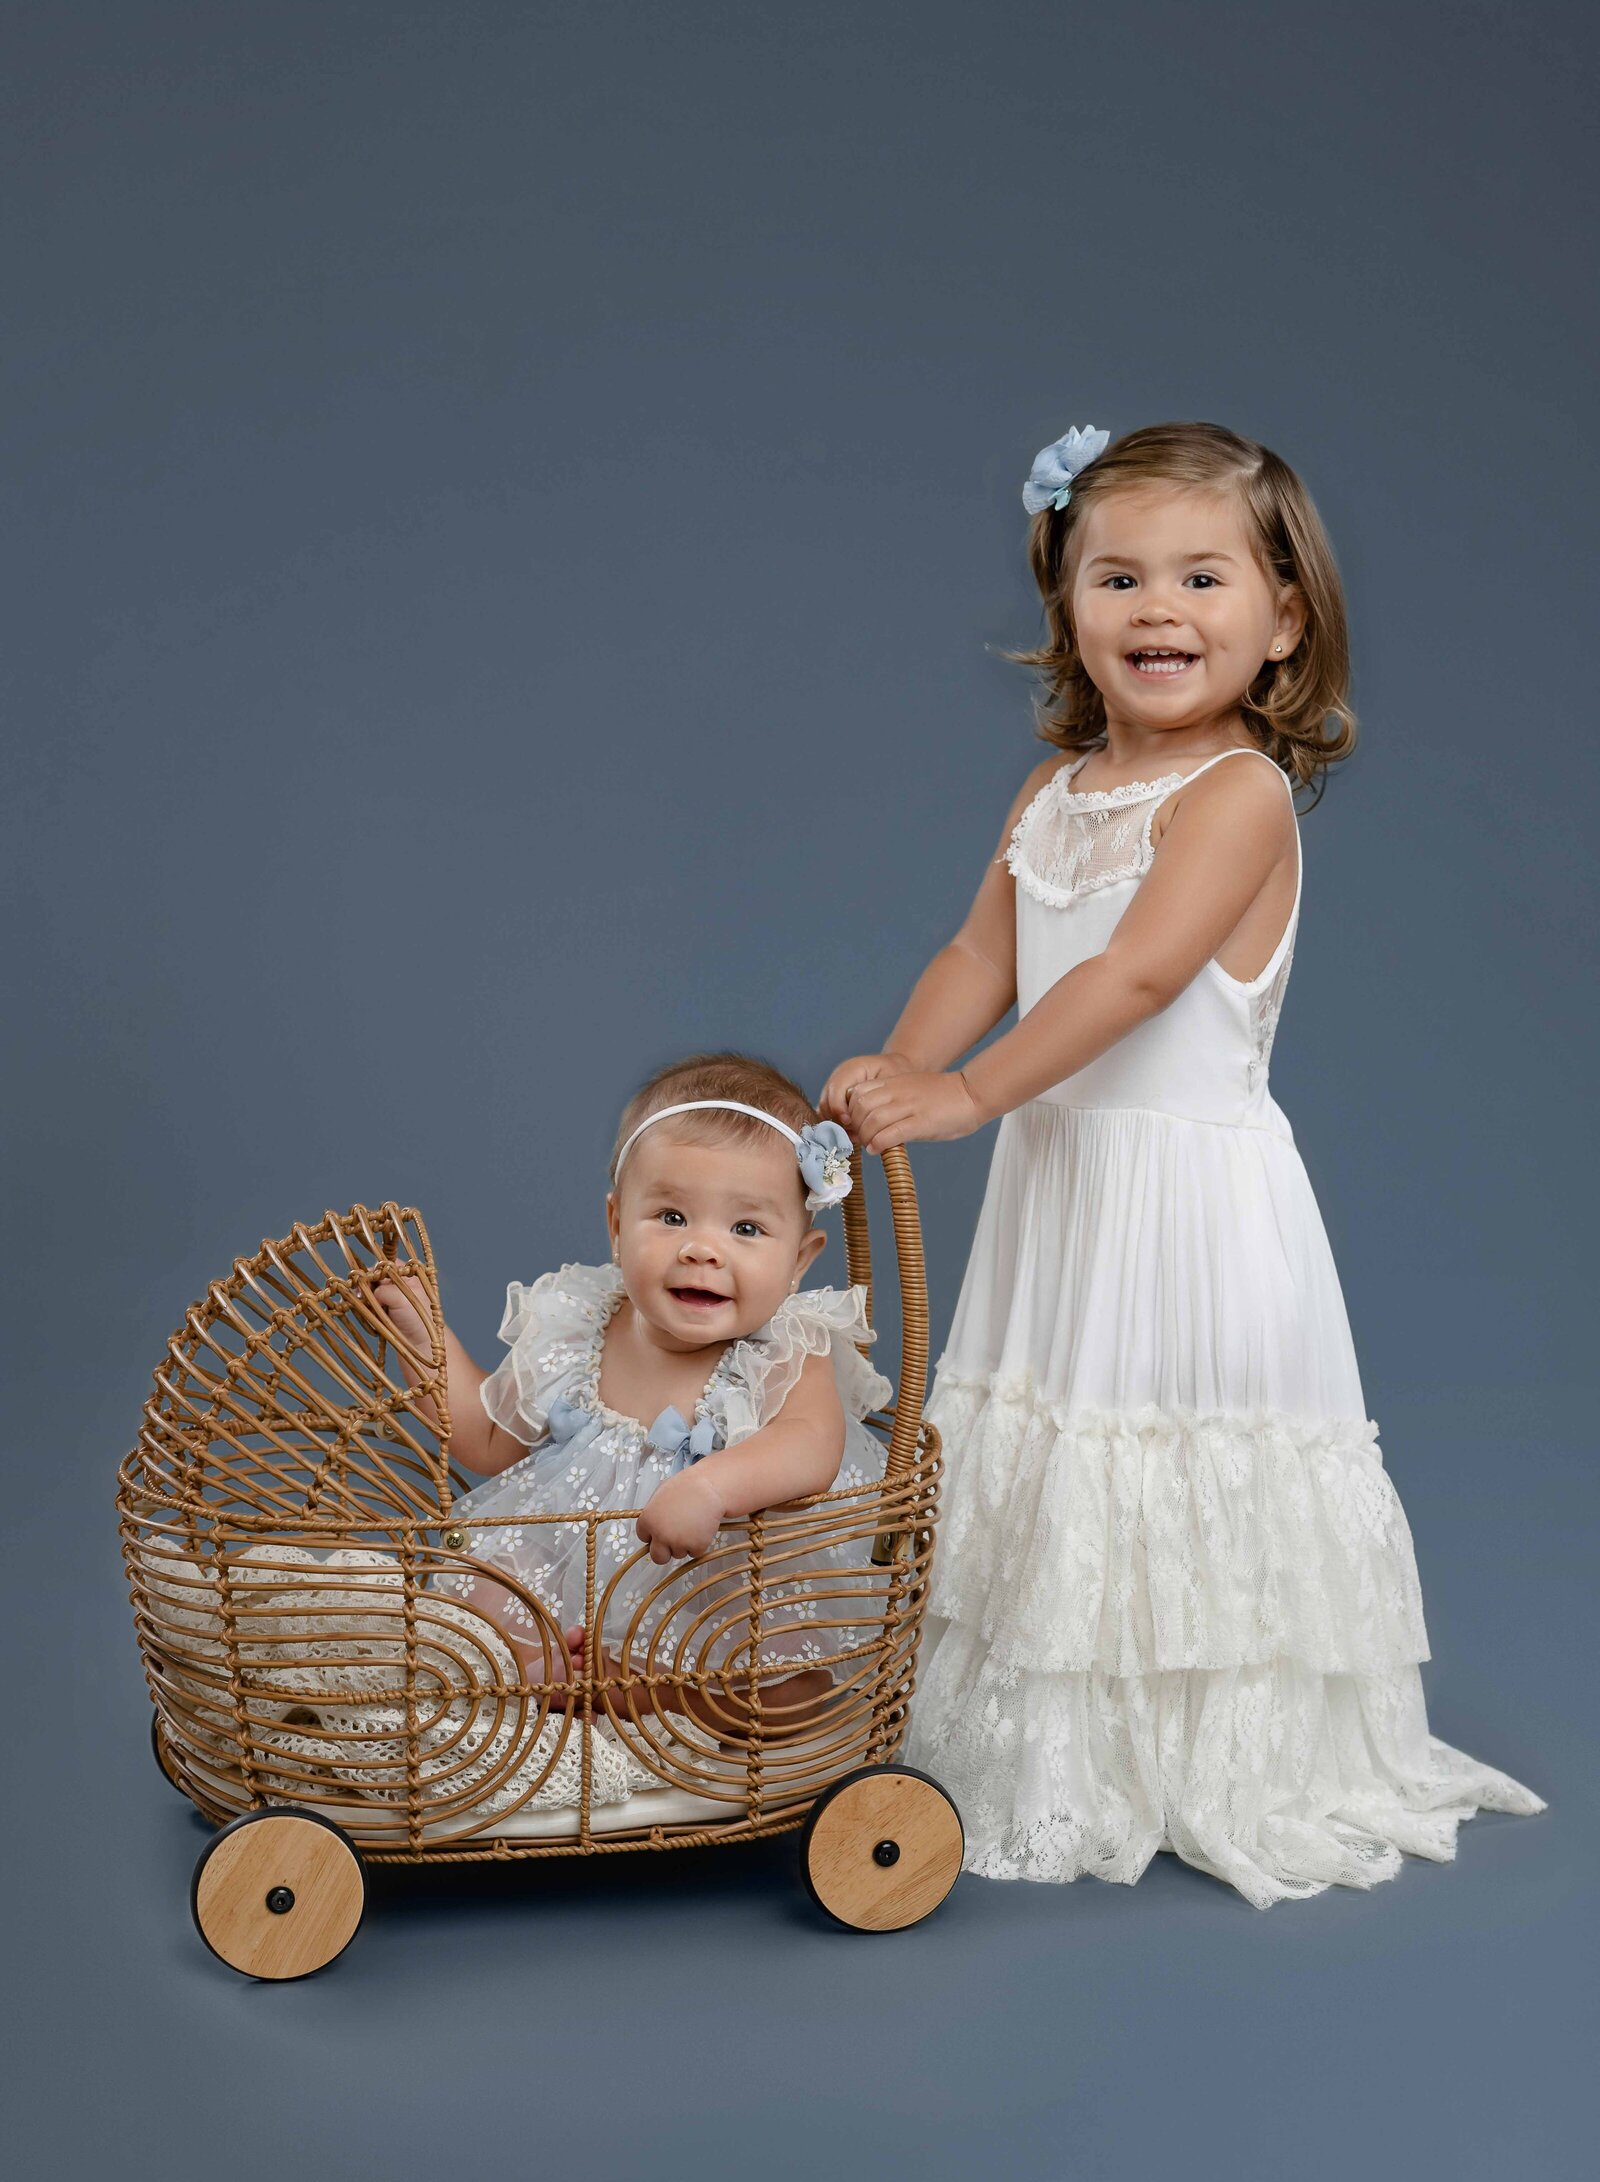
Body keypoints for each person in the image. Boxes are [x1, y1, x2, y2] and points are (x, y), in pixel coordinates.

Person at [820, 420, 1544, 1907]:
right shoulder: (1051, 793)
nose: (1158, 609)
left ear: (1283, 622)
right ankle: (1056, 1739)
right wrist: (892, 1078)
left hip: (1185, 1199)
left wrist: (963, 1094)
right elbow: (987, 949)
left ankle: (1209, 1749)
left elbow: (1139, 979)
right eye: (1118, 576)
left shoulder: (1239, 796)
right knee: (1050, 1427)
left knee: (1165, 1438)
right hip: (1063, 1181)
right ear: (1067, 611)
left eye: (1203, 576)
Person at [374, 1052, 890, 1742]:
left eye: (746, 1229)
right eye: (672, 1216)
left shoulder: (787, 1345)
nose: (703, 1249)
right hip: (569, 1577)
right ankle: (550, 1677)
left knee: (792, 1697)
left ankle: (659, 1695)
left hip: (716, 1598)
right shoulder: (580, 1322)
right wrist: (424, 1335)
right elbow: (487, 1442)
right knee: (475, 1602)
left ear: (800, 1258)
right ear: (617, 1225)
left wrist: (712, 1488)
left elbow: (810, 1446)